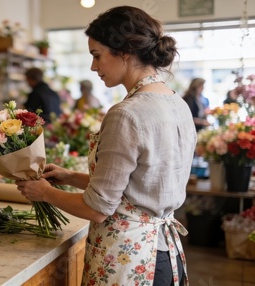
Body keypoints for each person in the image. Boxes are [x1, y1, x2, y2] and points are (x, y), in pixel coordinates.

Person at [16, 6, 196, 286]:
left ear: (123, 52)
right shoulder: (177, 103)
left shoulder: (127, 113)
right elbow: (135, 186)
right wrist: (69, 177)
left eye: (97, 55)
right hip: (163, 252)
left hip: (131, 261)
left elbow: (98, 208)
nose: (93, 67)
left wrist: (45, 192)